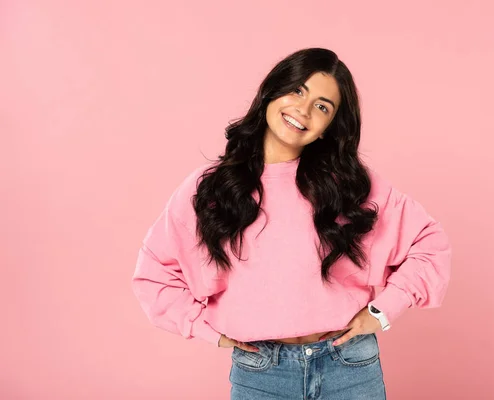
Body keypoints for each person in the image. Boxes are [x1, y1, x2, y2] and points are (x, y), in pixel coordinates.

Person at [132, 47, 452, 399]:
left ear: (328, 128)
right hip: (261, 373)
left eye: (322, 106)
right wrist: (205, 329)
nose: (303, 109)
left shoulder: (350, 185)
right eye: (297, 90)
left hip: (349, 367)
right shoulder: (211, 188)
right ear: (272, 91)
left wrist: (383, 311)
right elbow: (154, 274)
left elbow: (429, 243)